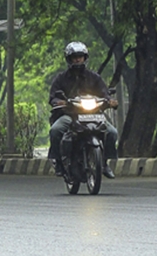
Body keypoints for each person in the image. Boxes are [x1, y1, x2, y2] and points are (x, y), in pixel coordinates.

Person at [47, 42, 117, 179]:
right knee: (55, 130)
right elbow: (53, 97)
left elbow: (104, 93)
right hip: (70, 115)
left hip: (94, 114)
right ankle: (59, 163)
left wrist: (110, 101)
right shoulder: (61, 78)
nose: (78, 59)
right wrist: (58, 102)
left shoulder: (94, 78)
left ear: (85, 58)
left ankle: (104, 163)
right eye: (75, 57)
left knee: (112, 132)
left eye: (80, 56)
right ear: (69, 59)